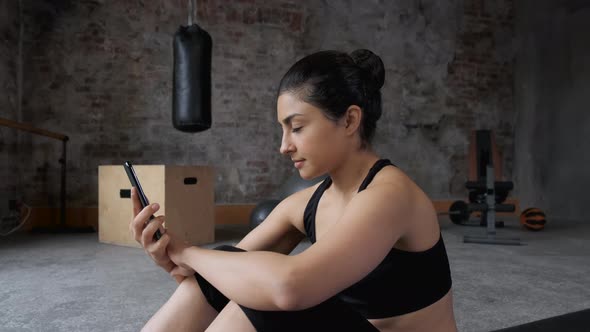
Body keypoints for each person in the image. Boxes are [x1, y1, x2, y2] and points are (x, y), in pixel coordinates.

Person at [130, 49, 458, 332]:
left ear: (349, 121)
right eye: (283, 130)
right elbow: (223, 272)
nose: (284, 146)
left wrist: (188, 252)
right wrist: (173, 256)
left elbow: (290, 287)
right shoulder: (304, 205)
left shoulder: (391, 194)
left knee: (268, 294)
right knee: (235, 271)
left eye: (297, 127)